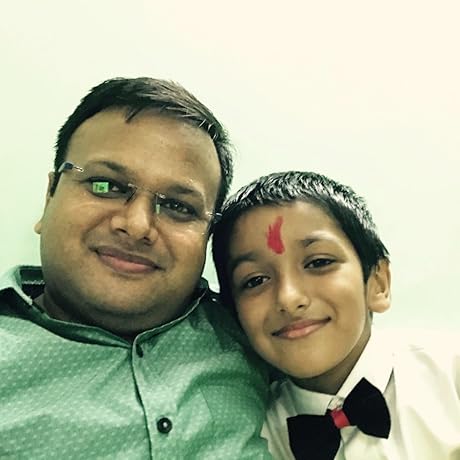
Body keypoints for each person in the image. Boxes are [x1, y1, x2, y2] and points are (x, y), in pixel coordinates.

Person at [0, 77, 272, 459]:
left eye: (178, 206)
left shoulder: (261, 335)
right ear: (50, 196)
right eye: (106, 185)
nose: (137, 225)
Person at [212, 170, 460, 460]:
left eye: (318, 262)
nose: (289, 298)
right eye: (255, 280)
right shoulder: (245, 433)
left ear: (378, 283)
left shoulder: (451, 378)